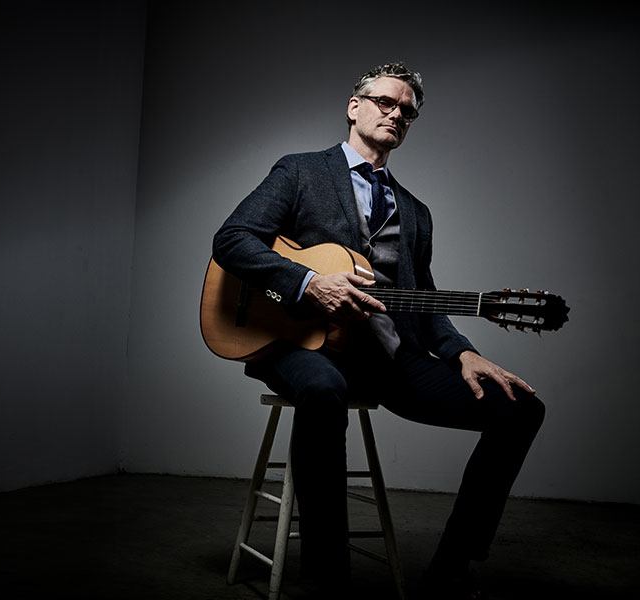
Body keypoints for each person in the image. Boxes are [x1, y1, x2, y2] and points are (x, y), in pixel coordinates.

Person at [212, 62, 545, 599]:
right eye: (386, 103)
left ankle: (453, 562)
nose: (397, 115)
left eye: (407, 112)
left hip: (384, 357)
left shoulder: (416, 212)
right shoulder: (300, 171)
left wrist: (461, 351)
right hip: (295, 343)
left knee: (521, 408)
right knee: (324, 389)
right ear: (355, 106)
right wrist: (307, 283)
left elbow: (425, 297)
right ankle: (326, 576)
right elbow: (232, 241)